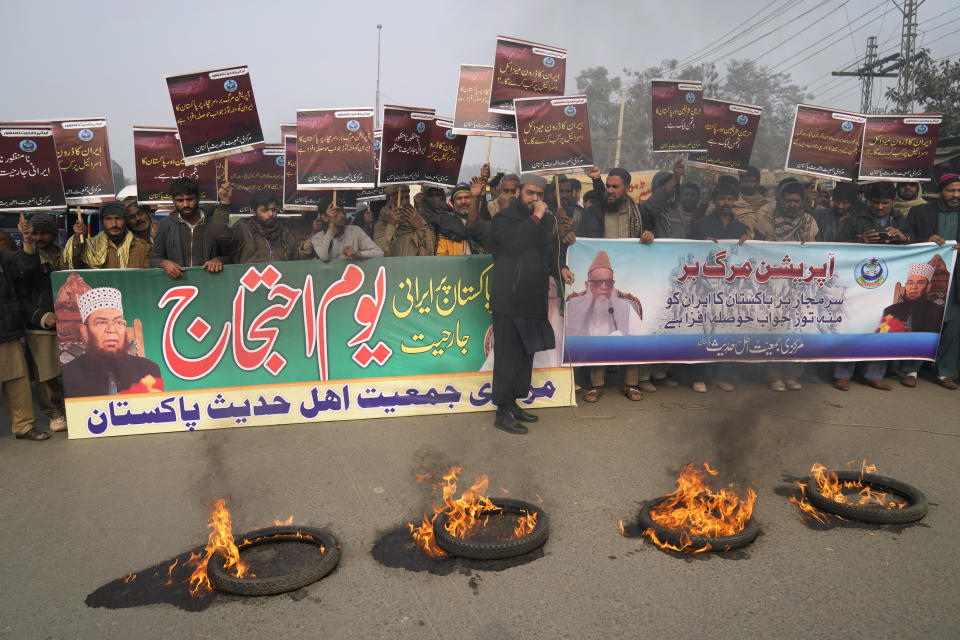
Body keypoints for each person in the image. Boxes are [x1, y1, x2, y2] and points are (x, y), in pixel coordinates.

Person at [489, 173, 573, 434]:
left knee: (525, 356)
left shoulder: (544, 220)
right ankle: (502, 412)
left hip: (533, 298)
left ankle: (514, 403)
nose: (535, 199)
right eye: (529, 194)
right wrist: (536, 217)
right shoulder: (504, 218)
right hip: (509, 299)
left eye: (539, 194)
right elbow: (512, 244)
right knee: (507, 357)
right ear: (518, 193)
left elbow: (547, 252)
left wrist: (560, 269)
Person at [577, 167, 656, 402]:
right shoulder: (594, 213)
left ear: (627, 188)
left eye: (615, 187)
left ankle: (630, 383)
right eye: (608, 186)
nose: (609, 191)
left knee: (631, 326)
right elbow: (584, 244)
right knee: (598, 325)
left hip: (634, 276)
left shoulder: (640, 212)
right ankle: (596, 384)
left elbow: (653, 236)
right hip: (604, 279)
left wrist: (650, 235)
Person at [832, 183, 911, 392]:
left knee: (885, 327)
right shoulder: (856, 220)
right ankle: (843, 374)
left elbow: (917, 248)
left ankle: (873, 375)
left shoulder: (902, 221)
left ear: (893, 202)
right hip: (859, 284)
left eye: (885, 203)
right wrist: (861, 240)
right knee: (853, 326)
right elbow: (838, 245)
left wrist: (904, 239)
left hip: (890, 284)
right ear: (869, 202)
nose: (880, 207)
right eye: (876, 202)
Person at [688, 181, 751, 393]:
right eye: (722, 198)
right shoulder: (701, 224)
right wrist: (701, 244)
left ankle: (721, 376)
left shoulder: (741, 228)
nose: (726, 203)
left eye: (730, 199)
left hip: (730, 288)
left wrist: (750, 243)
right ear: (715, 200)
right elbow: (686, 250)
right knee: (704, 329)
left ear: (735, 201)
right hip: (704, 286)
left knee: (726, 329)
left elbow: (748, 258)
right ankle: (699, 376)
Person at [902, 173, 960, 389]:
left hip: (955, 282)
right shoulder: (919, 212)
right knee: (920, 322)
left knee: (953, 328)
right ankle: (911, 369)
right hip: (925, 279)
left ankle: (945, 372)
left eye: (959, 191)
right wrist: (924, 242)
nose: (956, 195)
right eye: (951, 190)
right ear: (940, 192)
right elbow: (907, 241)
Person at [60, 287, 163, 398]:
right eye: (101, 323)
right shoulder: (69, 374)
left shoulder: (149, 370)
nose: (112, 329)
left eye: (118, 322)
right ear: (84, 331)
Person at [17, 212, 67, 432]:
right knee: (46, 373)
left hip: (70, 322)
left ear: (53, 233)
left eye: (43, 232)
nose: (39, 237)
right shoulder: (24, 258)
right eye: (35, 233)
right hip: (41, 325)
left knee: (77, 368)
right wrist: (41, 316)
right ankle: (55, 414)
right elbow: (22, 296)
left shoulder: (66, 253)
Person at [1, 214, 47, 440]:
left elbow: (25, 266)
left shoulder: (3, 258)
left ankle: (24, 426)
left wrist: (28, 240)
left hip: (4, 328)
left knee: (16, 380)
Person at [150, 178, 227, 278]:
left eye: (190, 199)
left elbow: (230, 256)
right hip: (179, 285)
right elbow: (154, 259)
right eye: (180, 200)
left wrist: (219, 260)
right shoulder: (165, 225)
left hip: (210, 282)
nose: (185, 204)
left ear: (198, 198)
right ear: (173, 201)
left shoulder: (214, 222)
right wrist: (164, 264)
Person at [211, 187, 306, 263]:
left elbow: (296, 266)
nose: (270, 214)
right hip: (250, 285)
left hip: (279, 285)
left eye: (273, 210)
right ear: (253, 212)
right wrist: (224, 203)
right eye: (264, 210)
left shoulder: (286, 235)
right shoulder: (243, 230)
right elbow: (220, 235)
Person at [565, 250, 646, 336]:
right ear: (587, 285)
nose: (604, 287)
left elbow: (643, 342)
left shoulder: (625, 308)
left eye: (608, 282)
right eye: (597, 282)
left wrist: (622, 343)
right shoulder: (572, 307)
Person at [60, 201, 151, 270]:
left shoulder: (142, 248)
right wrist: (78, 240)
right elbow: (66, 267)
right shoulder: (89, 247)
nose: (114, 224)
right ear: (102, 221)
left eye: (118, 218)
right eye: (108, 219)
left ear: (125, 220)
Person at [420, 179, 490, 255]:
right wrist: (455, 260)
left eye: (467, 197)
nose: (463, 202)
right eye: (459, 198)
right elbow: (441, 254)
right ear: (453, 203)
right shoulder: (446, 223)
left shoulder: (481, 221)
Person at [881, 262, 944, 333]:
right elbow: (884, 340)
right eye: (910, 283)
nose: (913, 287)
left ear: (928, 287)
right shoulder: (889, 311)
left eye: (920, 283)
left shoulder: (938, 312)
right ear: (906, 286)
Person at [374, 185, 436, 256]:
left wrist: (419, 227)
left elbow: (430, 250)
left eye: (407, 197)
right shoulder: (381, 224)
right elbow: (380, 252)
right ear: (389, 200)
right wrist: (391, 225)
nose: (404, 202)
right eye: (399, 198)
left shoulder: (417, 218)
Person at [312, 203, 383, 261]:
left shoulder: (355, 230)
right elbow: (324, 257)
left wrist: (357, 254)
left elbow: (379, 253)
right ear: (324, 217)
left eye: (343, 211)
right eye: (335, 212)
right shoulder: (317, 238)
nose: (342, 216)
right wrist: (330, 229)